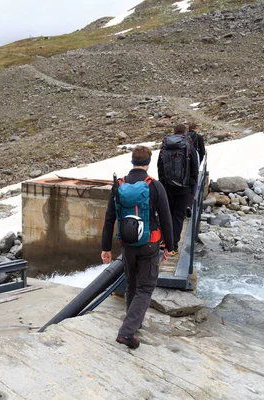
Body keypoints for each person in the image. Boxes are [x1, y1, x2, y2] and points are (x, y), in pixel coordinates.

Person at [101, 145, 173, 350]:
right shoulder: (155, 186)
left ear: (131, 161)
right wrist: (170, 246)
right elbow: (166, 219)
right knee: (145, 287)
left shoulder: (119, 185)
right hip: (150, 243)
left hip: (128, 244)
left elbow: (109, 219)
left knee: (132, 283)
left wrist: (106, 248)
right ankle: (126, 332)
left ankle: (134, 321)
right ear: (148, 163)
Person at [157, 124, 199, 255]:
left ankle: (163, 241)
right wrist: (192, 188)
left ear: (173, 132)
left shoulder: (164, 147)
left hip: (167, 187)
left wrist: (163, 183)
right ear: (185, 133)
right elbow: (194, 170)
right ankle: (173, 246)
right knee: (178, 216)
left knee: (166, 214)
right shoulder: (189, 147)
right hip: (184, 188)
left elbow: (159, 166)